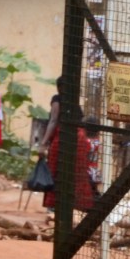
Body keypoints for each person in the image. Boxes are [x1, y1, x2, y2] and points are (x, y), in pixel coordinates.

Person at [39, 77, 96, 212]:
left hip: (63, 138)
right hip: (80, 140)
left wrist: (43, 143)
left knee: (56, 170)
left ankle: (54, 205)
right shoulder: (74, 102)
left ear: (59, 87)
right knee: (77, 172)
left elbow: (53, 121)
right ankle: (76, 204)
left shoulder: (57, 99)